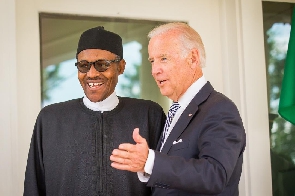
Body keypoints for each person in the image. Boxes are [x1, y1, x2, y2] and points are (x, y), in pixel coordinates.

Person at [23, 26, 166, 196]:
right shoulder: (50, 120)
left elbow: (165, 183)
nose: (91, 74)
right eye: (83, 66)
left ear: (121, 67)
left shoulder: (148, 115)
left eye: (102, 65)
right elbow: (34, 186)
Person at [110, 22, 246, 195]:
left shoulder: (219, 109)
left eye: (163, 58)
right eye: (152, 61)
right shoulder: (176, 111)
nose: (154, 70)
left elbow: (214, 175)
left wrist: (150, 161)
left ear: (193, 59)